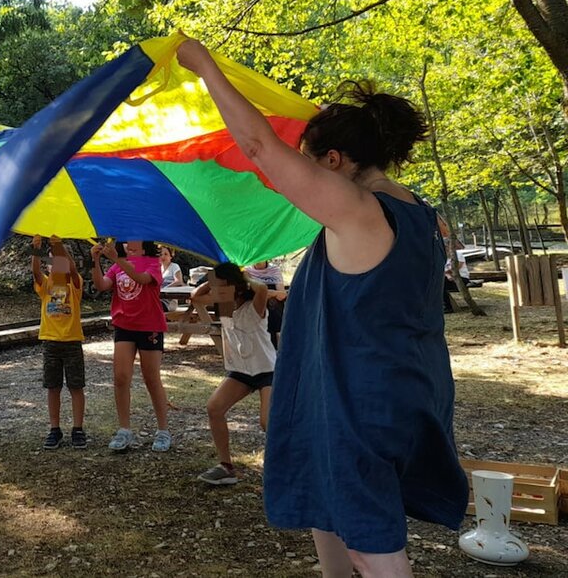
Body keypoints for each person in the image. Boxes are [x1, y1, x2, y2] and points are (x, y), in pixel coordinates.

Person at [178, 40, 467, 576]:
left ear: (334, 161)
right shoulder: (418, 213)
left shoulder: (360, 210)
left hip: (362, 401)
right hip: (402, 389)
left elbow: (260, 148)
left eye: (310, 164)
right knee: (327, 507)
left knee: (370, 543)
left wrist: (204, 66)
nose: (301, 180)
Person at [193, 263, 276, 486]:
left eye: (221, 287)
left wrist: (243, 277)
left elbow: (262, 290)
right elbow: (195, 297)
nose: (215, 291)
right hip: (241, 372)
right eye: (214, 287)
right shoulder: (225, 307)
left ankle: (283, 463)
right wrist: (212, 279)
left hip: (268, 370)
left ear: (236, 288)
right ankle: (226, 466)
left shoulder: (254, 306)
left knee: (268, 422)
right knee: (214, 407)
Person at [90, 240, 173, 452]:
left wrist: (116, 259)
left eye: (135, 247)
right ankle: (124, 429)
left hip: (149, 326)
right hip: (124, 325)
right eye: (128, 245)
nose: (130, 247)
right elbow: (101, 285)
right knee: (120, 376)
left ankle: (163, 430)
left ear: (144, 248)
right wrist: (96, 260)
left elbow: (141, 279)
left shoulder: (151, 263)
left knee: (151, 377)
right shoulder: (118, 265)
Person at [31, 235, 87, 449]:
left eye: (59, 260)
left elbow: (72, 270)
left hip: (72, 341)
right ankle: (55, 429)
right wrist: (36, 249)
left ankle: (78, 429)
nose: (54, 264)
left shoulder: (75, 284)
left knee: (76, 386)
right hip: (50, 343)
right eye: (51, 260)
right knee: (52, 387)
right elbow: (36, 273)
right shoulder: (46, 285)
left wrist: (58, 245)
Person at [244, 259, 287, 348]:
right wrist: (271, 293)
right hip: (255, 311)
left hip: (273, 313)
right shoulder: (247, 272)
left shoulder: (275, 270)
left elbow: (282, 294)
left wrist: (264, 293)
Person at [158, 245, 185, 312]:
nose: (163, 257)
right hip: (158, 298)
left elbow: (179, 281)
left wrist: (165, 288)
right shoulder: (159, 268)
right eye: (161, 254)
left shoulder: (174, 266)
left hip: (169, 302)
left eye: (166, 254)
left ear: (171, 256)